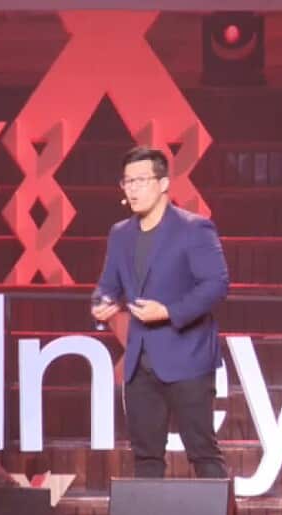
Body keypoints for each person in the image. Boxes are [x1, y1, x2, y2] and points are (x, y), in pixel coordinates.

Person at [91, 146, 230, 481]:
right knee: (146, 457)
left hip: (188, 358)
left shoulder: (194, 229)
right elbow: (107, 284)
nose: (133, 189)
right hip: (140, 363)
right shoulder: (120, 234)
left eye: (141, 180)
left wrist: (169, 312)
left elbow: (216, 284)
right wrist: (101, 303)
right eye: (127, 182)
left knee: (202, 452)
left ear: (164, 183)